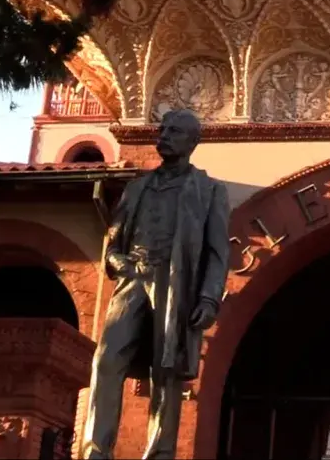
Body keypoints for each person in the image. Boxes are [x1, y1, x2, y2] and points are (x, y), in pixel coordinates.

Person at [81, 109, 230, 459]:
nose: (163, 135)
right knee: (106, 359)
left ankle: (161, 451)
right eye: (162, 129)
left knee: (167, 370)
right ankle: (95, 450)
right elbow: (113, 242)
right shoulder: (136, 188)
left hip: (176, 280)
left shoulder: (209, 191)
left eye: (174, 131)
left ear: (193, 142)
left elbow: (217, 250)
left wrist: (209, 298)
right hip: (132, 277)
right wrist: (117, 262)